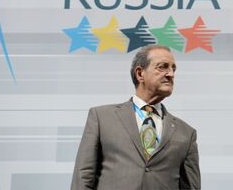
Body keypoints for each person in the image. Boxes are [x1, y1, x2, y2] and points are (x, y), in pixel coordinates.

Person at [71, 45, 200, 190]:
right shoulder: (102, 118)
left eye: (173, 69)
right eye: (162, 67)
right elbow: (83, 177)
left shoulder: (186, 133)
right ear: (140, 74)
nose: (170, 74)